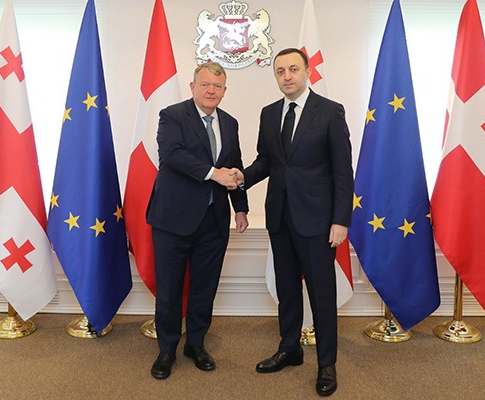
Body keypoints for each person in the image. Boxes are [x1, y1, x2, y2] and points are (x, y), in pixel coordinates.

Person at [236, 48, 353, 397]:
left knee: (321, 294)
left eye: (293, 69)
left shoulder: (330, 111)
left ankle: (327, 363)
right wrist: (241, 178)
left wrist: (340, 220)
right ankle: (290, 349)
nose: (287, 76)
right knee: (287, 289)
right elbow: (267, 162)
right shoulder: (270, 113)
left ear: (307, 72)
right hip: (280, 217)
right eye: (280, 71)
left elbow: (342, 171)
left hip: (318, 221)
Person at [147, 62, 248, 380]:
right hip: (173, 220)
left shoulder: (229, 123)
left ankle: (196, 344)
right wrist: (214, 173)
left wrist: (240, 208)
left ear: (224, 91)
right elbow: (173, 155)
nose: (210, 91)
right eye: (205, 85)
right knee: (170, 289)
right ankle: (166, 350)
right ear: (192, 87)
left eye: (217, 86)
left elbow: (234, 165)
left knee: (205, 287)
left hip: (213, 222)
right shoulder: (172, 116)